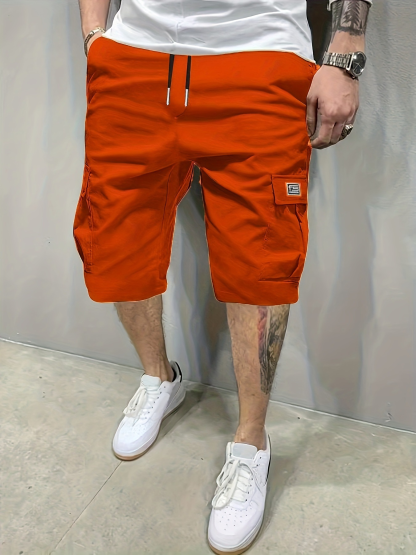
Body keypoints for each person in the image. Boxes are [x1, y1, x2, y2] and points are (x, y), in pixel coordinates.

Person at [74, 0, 371, 552]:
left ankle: (251, 442)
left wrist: (345, 52)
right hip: (133, 58)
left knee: (261, 266)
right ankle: (159, 379)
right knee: (117, 246)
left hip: (259, 56)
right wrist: (95, 36)